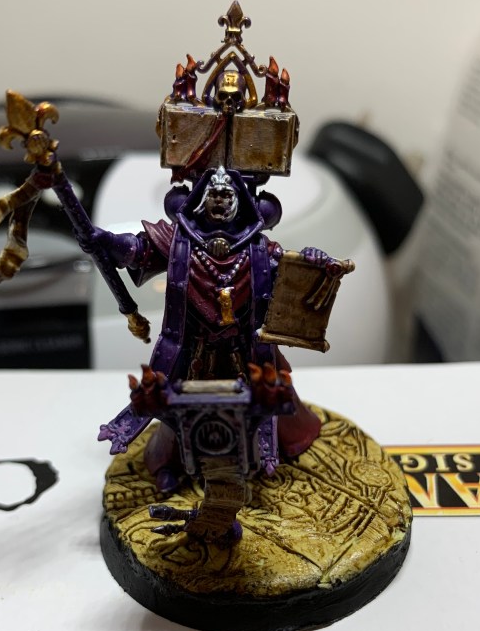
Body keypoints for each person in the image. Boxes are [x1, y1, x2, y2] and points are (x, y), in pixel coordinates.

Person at [83, 164, 330, 491]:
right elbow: (136, 251)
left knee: (263, 405)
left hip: (245, 351)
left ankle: (265, 458)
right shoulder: (179, 243)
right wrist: (105, 240)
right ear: (200, 200)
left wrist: (312, 260)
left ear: (240, 201)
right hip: (193, 351)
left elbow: (292, 274)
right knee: (178, 411)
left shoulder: (258, 248)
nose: (221, 202)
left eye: (227, 195)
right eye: (214, 195)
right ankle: (172, 465)